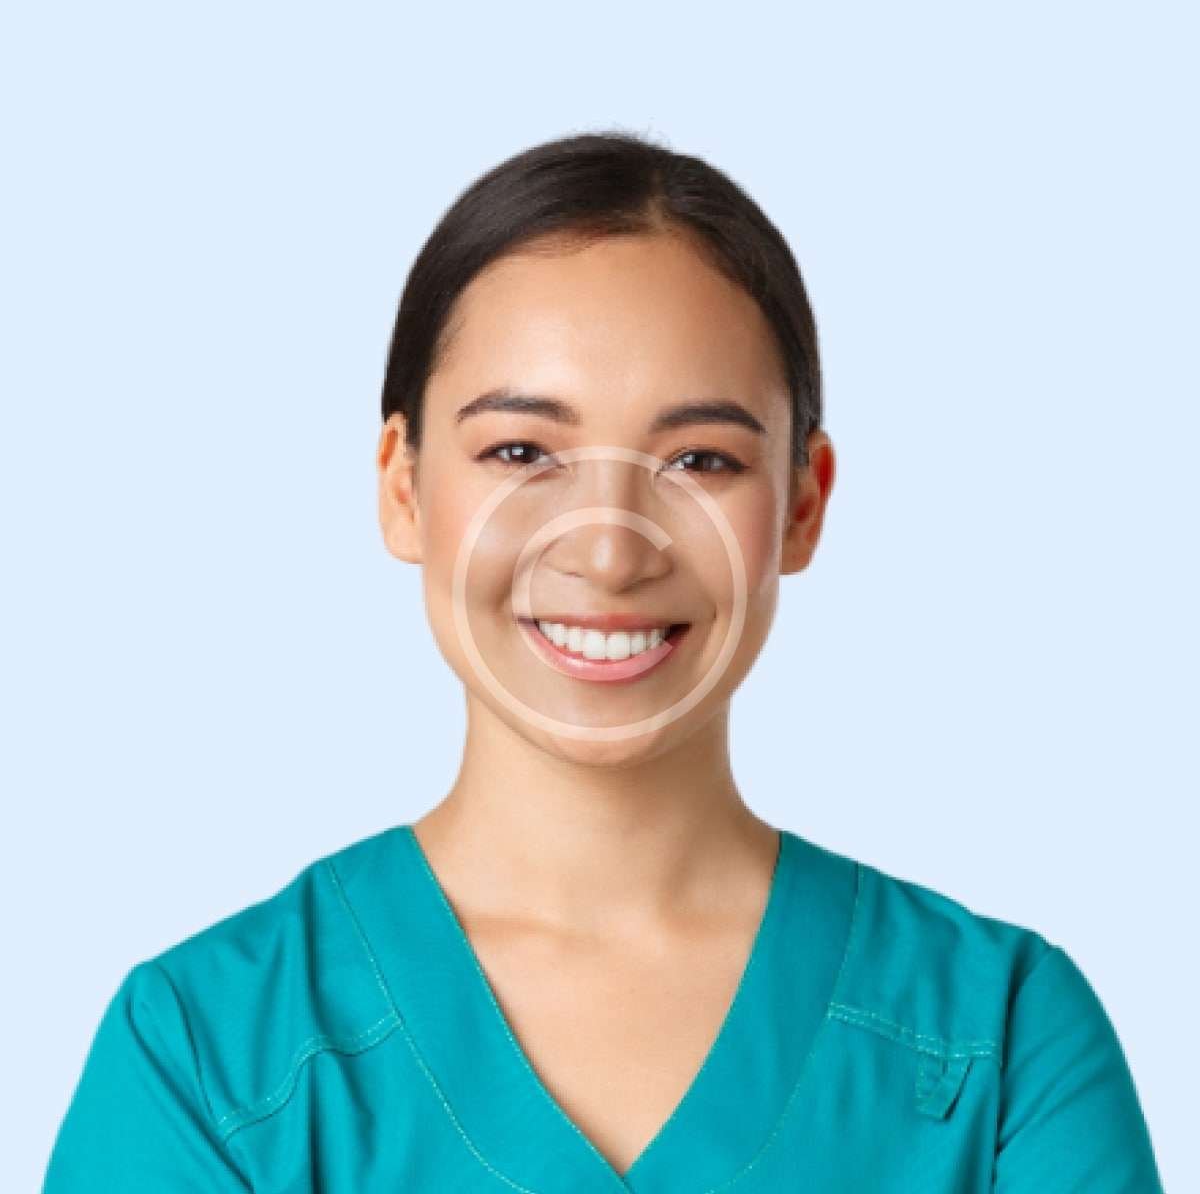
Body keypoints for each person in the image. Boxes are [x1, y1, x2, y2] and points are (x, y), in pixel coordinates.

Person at [43, 130, 1165, 1192]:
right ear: (403, 485)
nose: (611, 547)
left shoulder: (1001, 1043)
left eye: (701, 459)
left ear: (803, 504)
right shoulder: (207, 1057)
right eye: (523, 451)